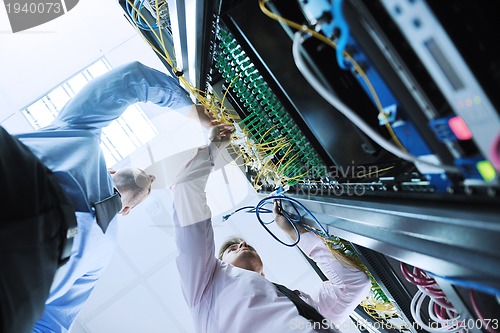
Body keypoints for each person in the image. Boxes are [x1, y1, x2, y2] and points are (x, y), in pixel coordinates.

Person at [0, 61, 212, 333]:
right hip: (14, 178)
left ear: (126, 211)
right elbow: (130, 80)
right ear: (111, 170)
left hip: (17, 286)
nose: (152, 179)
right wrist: (197, 112)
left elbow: (52, 324)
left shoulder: (101, 258)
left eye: (148, 188)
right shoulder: (80, 133)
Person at [170, 129, 371, 332]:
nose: (242, 244)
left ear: (263, 272)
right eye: (232, 249)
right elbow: (186, 194)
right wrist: (213, 149)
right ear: (218, 264)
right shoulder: (204, 287)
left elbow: (353, 285)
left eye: (241, 244)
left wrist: (295, 233)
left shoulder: (299, 304)